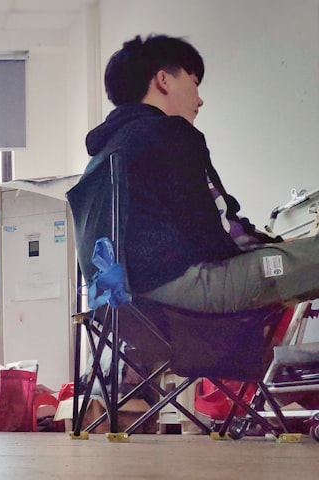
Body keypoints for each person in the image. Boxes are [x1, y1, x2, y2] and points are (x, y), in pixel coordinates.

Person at [74, 34, 319, 313]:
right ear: (163, 80)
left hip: (130, 308)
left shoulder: (104, 155)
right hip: (187, 286)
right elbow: (218, 230)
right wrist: (277, 246)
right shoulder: (169, 133)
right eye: (194, 82)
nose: (199, 100)